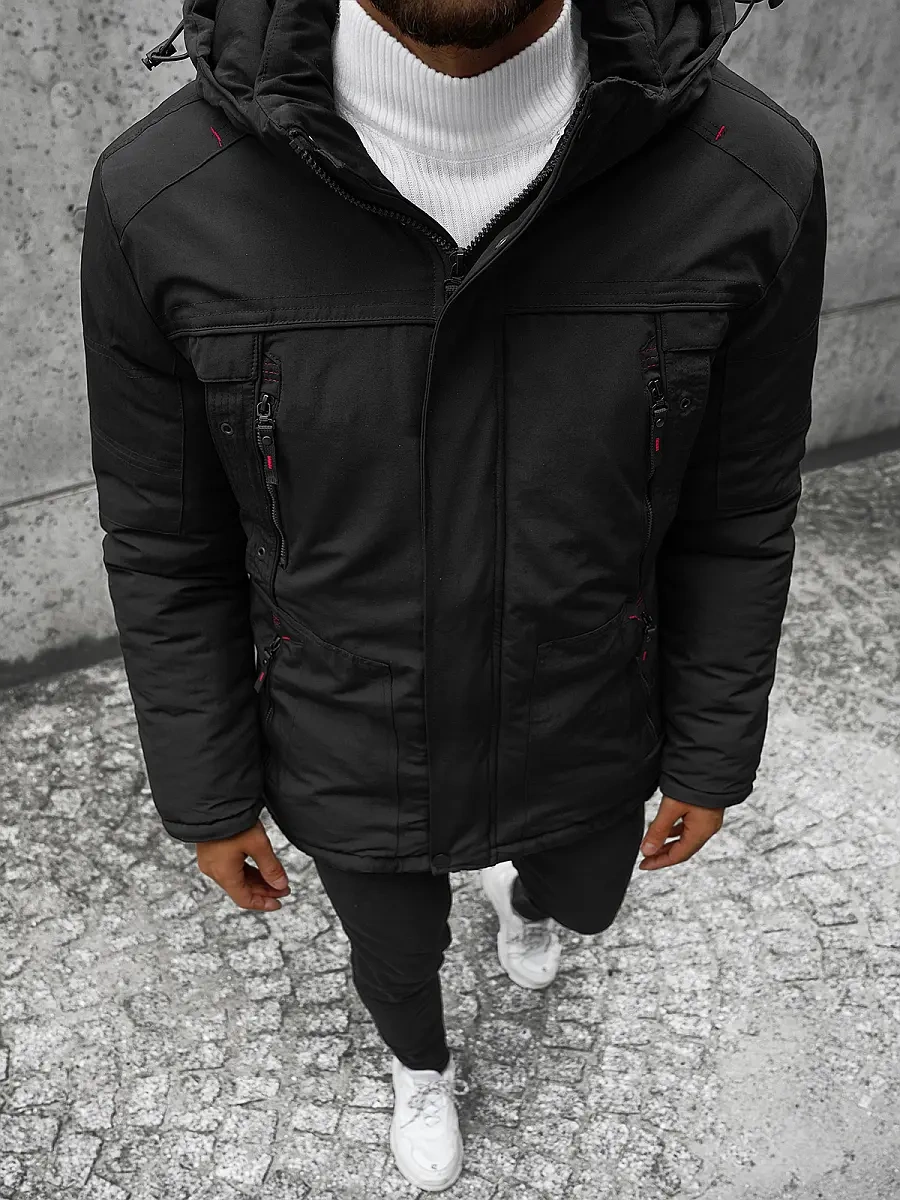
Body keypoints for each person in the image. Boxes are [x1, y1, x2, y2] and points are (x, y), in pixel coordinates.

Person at [80, 0, 826, 1189]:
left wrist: (713, 749)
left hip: (588, 713)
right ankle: (419, 1067)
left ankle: (523, 895)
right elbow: (168, 539)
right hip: (346, 732)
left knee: (588, 903)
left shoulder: (748, 176)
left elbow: (737, 511)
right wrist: (208, 791)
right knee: (395, 955)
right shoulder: (164, 195)